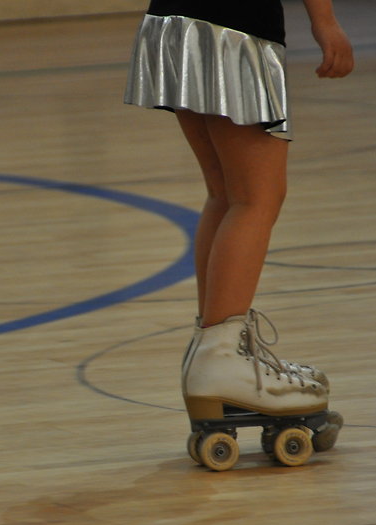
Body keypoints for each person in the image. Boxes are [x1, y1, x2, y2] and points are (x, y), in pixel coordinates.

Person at [124, 1, 353, 422]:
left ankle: (211, 352)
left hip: (174, 18)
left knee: (227, 194)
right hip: (232, 24)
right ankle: (220, 358)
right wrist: (325, 20)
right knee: (256, 198)